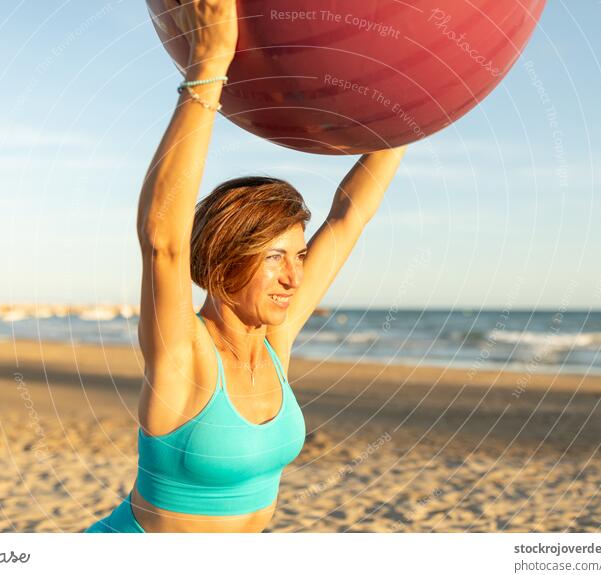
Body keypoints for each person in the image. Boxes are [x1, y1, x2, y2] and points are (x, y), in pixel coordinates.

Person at [85, 0, 406, 533]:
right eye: (274, 258)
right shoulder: (183, 353)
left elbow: (349, 217)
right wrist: (209, 65)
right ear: (222, 262)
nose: (294, 278)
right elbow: (163, 240)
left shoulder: (274, 342)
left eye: (298, 255)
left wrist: (412, 113)